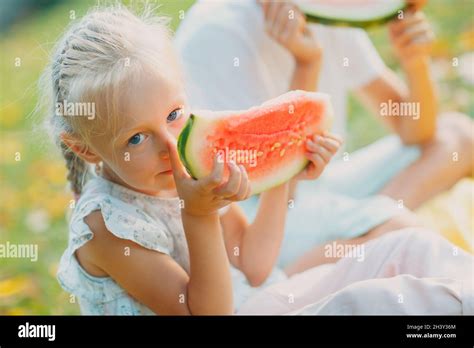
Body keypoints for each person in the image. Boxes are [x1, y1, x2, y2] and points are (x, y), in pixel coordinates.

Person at [42, 5, 340, 314]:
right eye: (136, 138)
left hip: (249, 301)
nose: (170, 146)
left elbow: (253, 263)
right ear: (86, 149)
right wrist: (200, 215)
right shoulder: (105, 226)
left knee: (384, 247)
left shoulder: (186, 167)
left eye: (173, 115)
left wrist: (284, 167)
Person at [174, 0, 474, 272]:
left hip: (322, 182)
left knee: (459, 135)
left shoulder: (325, 9)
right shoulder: (216, 33)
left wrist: (415, 62)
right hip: (260, 216)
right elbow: (277, 189)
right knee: (397, 230)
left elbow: (414, 131)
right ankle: (297, 272)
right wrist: (307, 64)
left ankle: (367, 227)